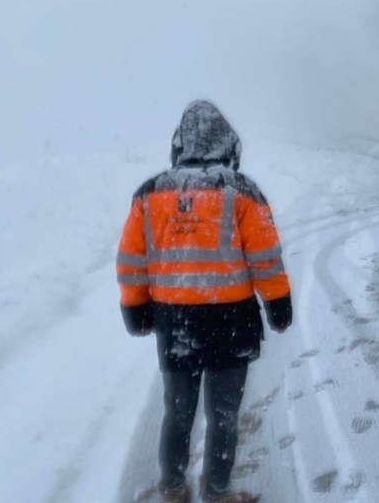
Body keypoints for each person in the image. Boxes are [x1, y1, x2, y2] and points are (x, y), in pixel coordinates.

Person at [116, 100, 292, 503]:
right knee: (224, 416)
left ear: (180, 144)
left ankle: (174, 489)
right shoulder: (242, 192)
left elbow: (131, 258)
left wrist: (135, 306)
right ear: (228, 143)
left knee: (177, 413)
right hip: (231, 321)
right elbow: (265, 257)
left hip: (175, 322)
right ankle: (215, 493)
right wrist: (278, 302)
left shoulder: (151, 193)